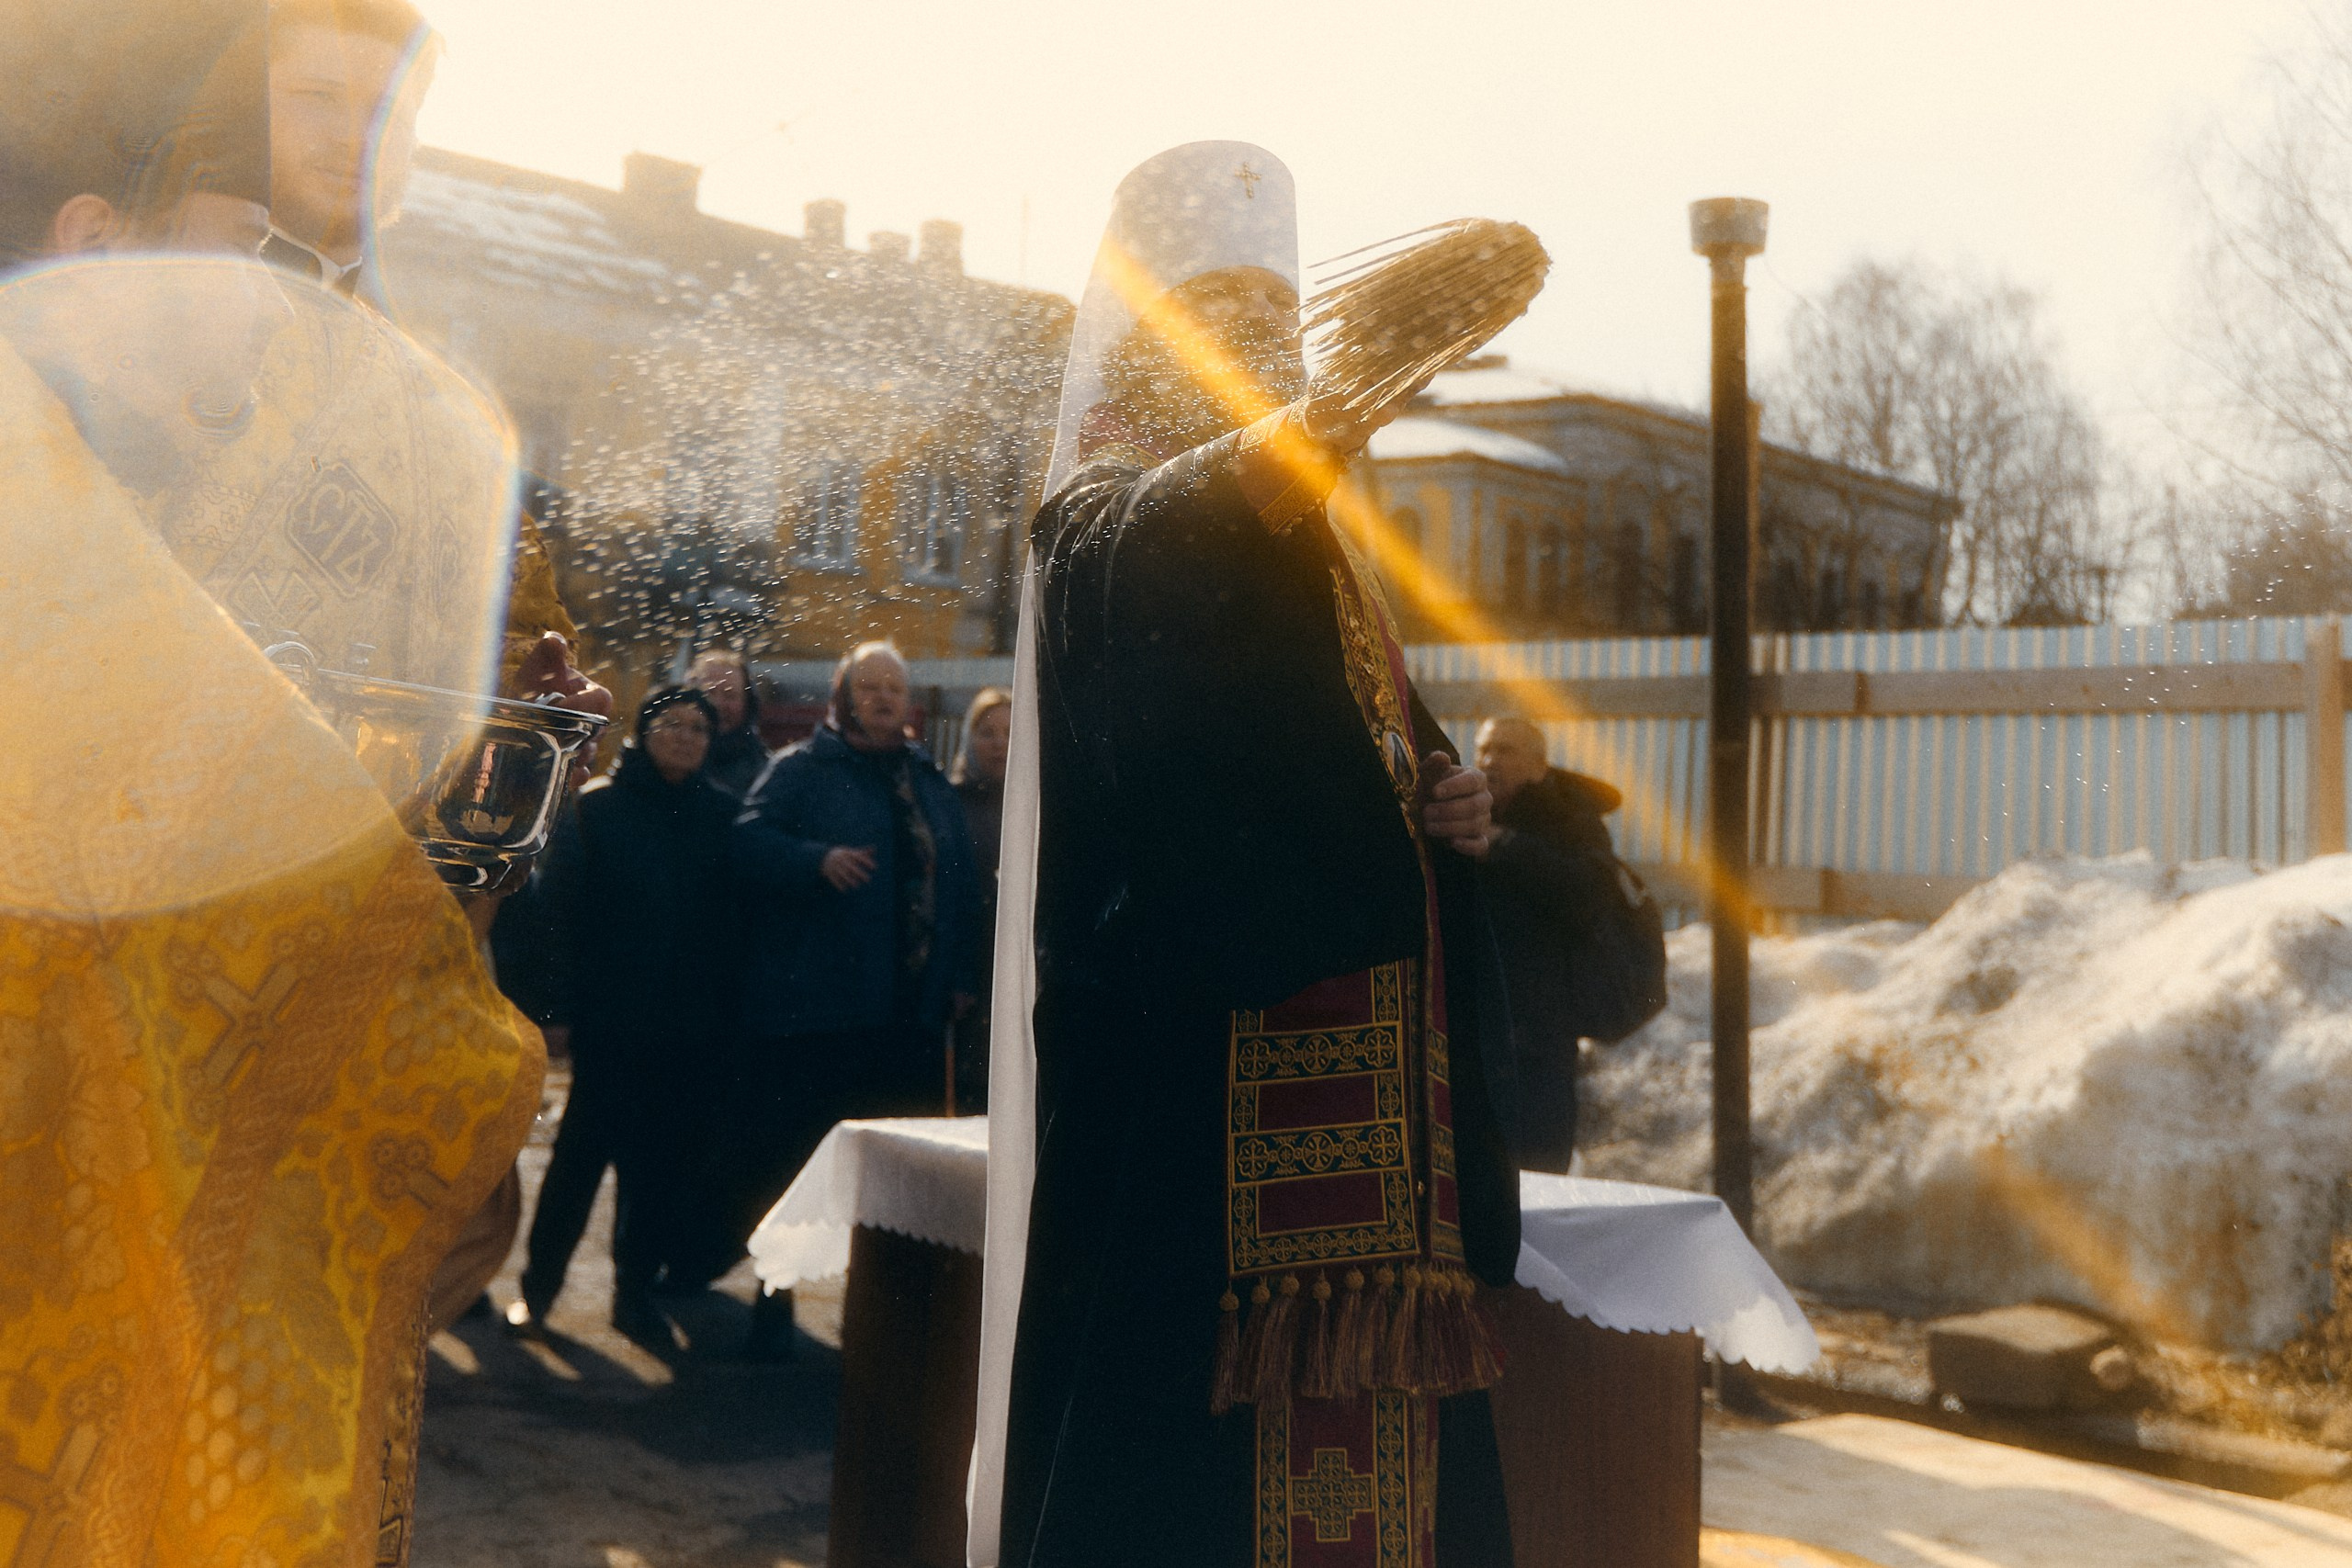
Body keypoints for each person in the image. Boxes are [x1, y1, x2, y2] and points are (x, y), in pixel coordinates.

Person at [0, 5, 541, 1562]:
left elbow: (475, 729)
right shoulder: (79, 430)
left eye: (394, 111)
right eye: (318, 97)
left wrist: (498, 783)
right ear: (102, 236)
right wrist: (433, 1056)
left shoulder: (434, 412)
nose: (356, 144)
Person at [971, 143, 1520, 1568]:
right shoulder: (1099, 510)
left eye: (1280, 332)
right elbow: (1167, 550)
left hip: (1375, 1143)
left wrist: (1446, 813)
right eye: (1228, 329)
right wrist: (1326, 416)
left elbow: (1372, 767)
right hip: (1192, 1120)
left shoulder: (1317, 543)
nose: (1262, 359)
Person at [730, 640, 983, 1356]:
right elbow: (746, 843)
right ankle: (773, 1300)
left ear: (909, 703)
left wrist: (960, 975)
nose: (882, 698)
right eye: (868, 686)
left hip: (909, 1014)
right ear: (842, 697)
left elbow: (959, 883)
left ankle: (881, 1317)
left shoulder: (927, 779)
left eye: (894, 688)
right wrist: (816, 860)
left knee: (898, 1173)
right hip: (822, 1011)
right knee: (794, 1159)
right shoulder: (802, 770)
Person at [504, 686, 741, 1343]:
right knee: (578, 1161)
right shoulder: (599, 806)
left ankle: (632, 1296)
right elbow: (555, 916)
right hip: (610, 1023)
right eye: (672, 724)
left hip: (685, 1029)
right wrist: (555, 1009)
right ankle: (538, 1291)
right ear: (644, 730)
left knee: (657, 1170)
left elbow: (731, 927)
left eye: (699, 727)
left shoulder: (722, 813)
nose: (686, 737)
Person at [1475, 716, 1665, 1173]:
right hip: (1481, 1027)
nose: (1487, 762)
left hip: (1540, 1037)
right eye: (1482, 750)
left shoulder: (1569, 818)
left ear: (1539, 768)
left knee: (1537, 1180)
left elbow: (1591, 890)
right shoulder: (1474, 814)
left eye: (1505, 750)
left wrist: (1504, 847)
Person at [948, 685, 1012, 1107]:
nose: (999, 744)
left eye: (1010, 732)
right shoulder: (950, 801)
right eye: (987, 732)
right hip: (970, 965)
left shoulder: (1043, 803)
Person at [690, 645, 769, 800]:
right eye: (709, 693)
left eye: (730, 695)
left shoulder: (763, 770)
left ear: (748, 704)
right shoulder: (669, 759)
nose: (718, 704)